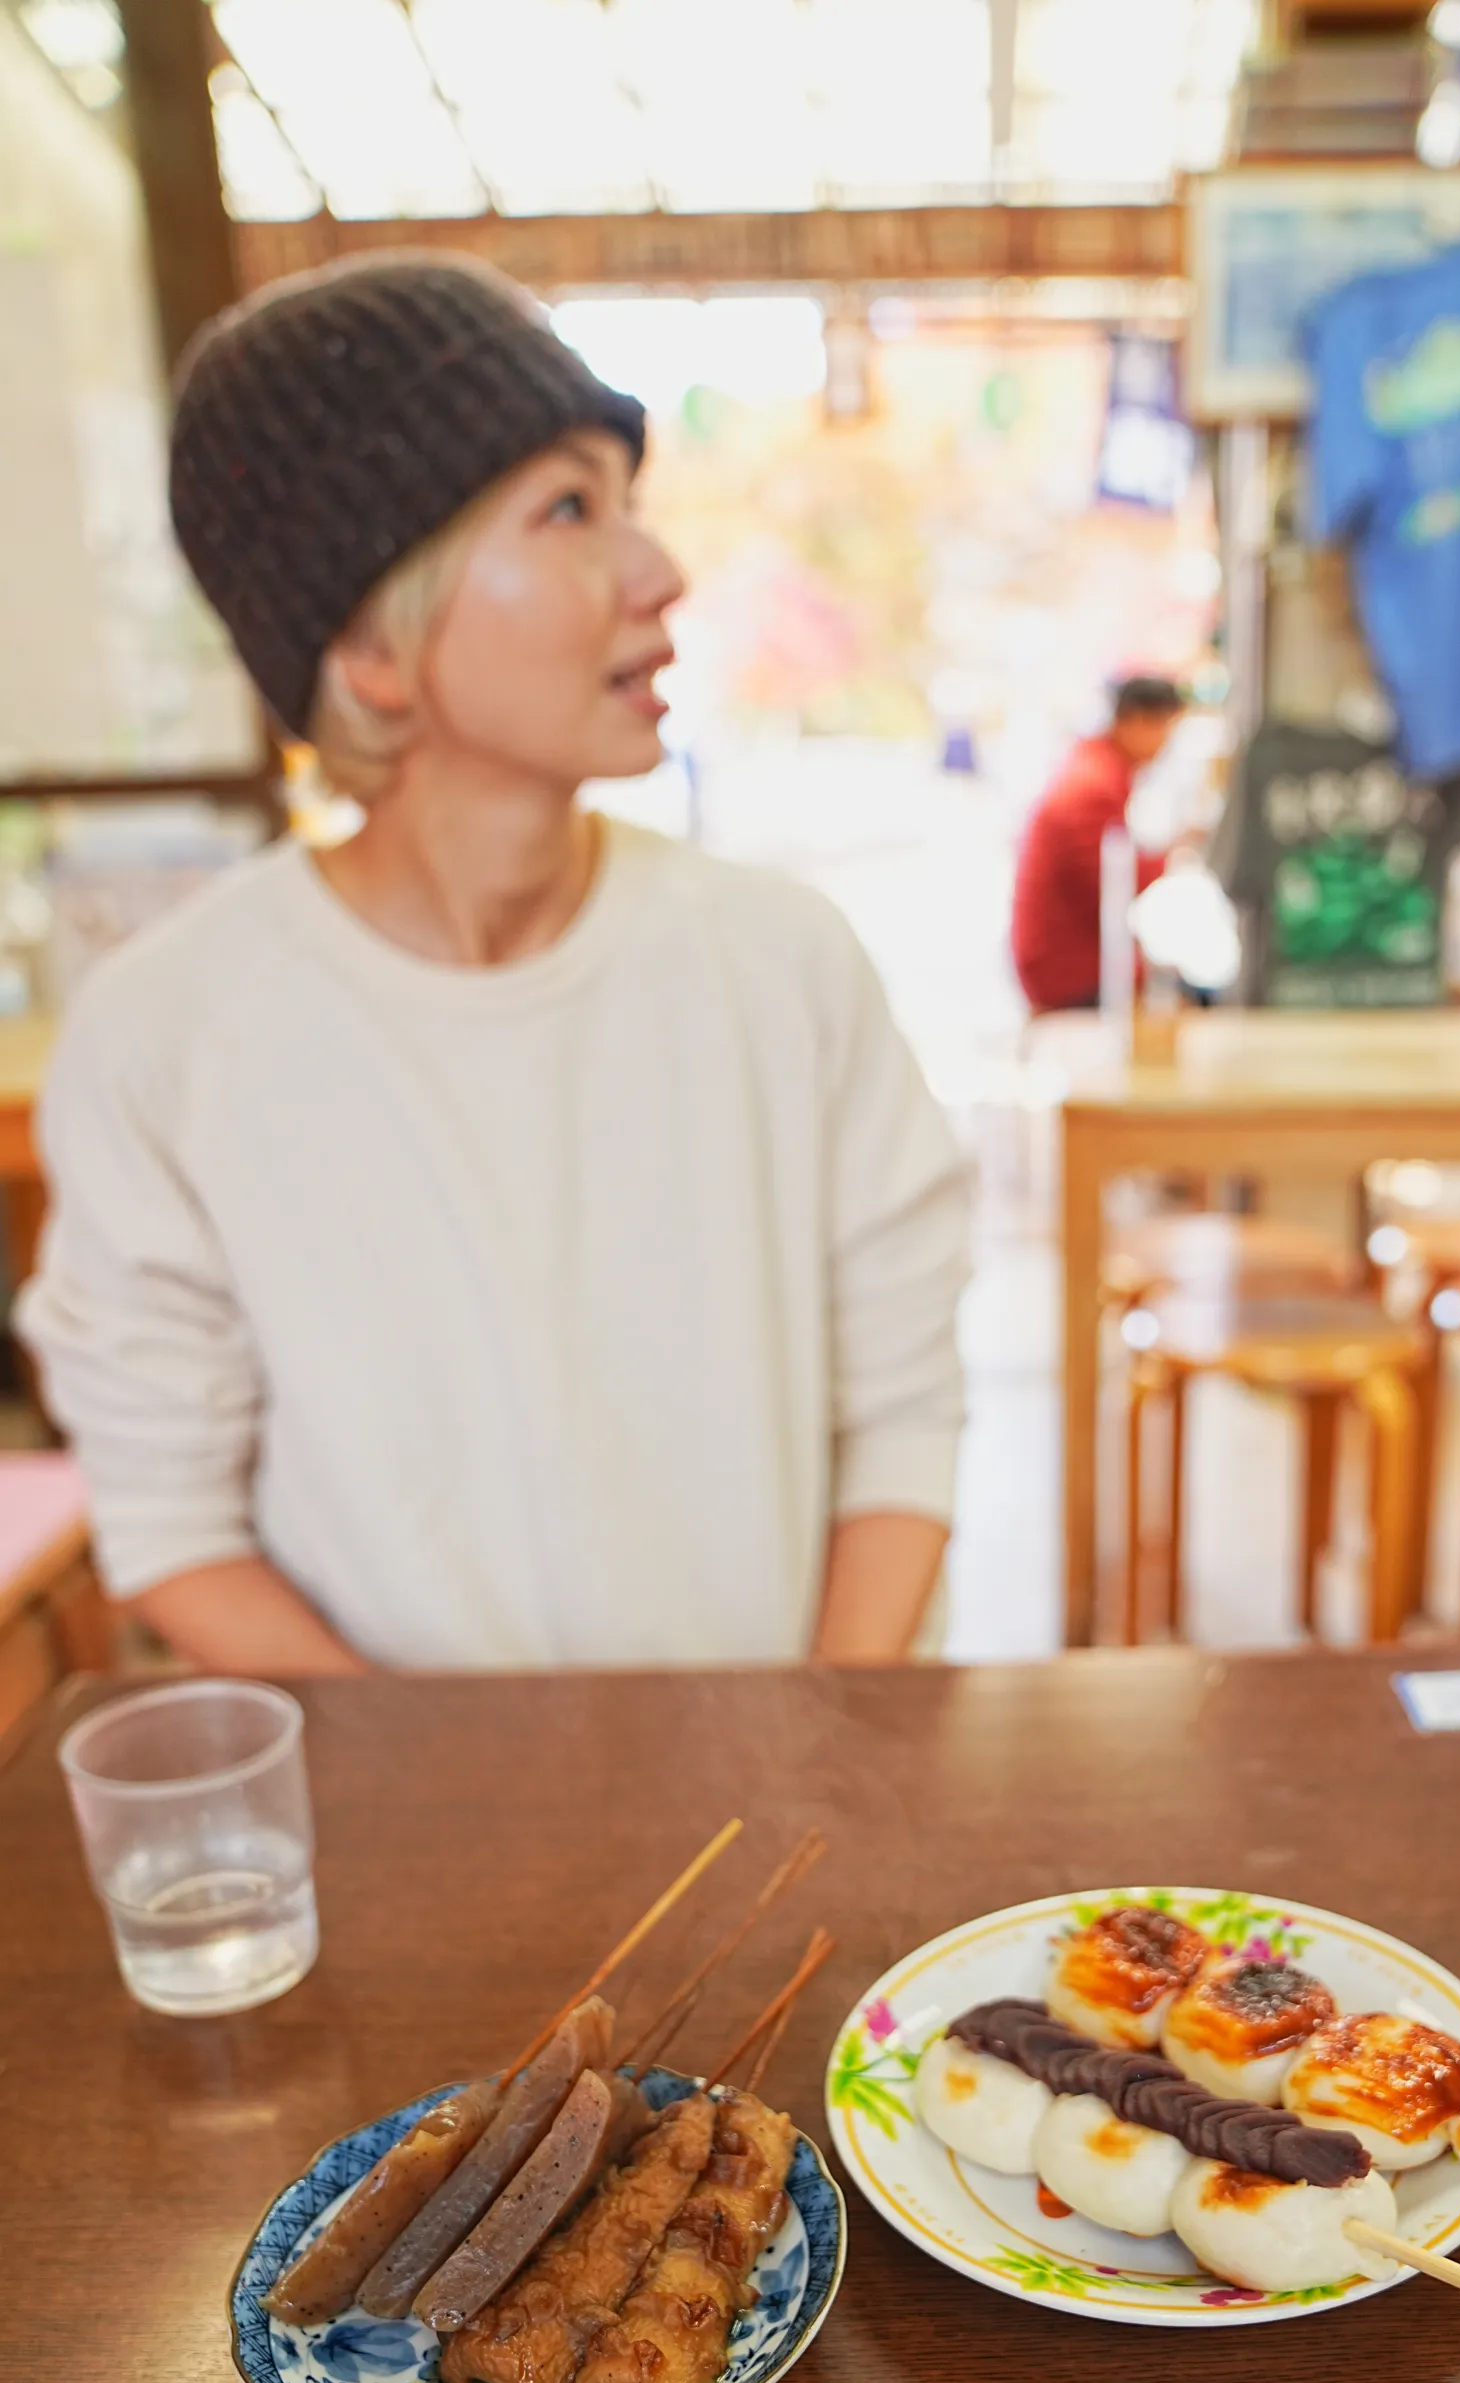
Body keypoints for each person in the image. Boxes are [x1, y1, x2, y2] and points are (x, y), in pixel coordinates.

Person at [17, 254, 970, 1673]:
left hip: (789, 1814)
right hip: (408, 1842)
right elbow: (172, 1520)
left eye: (627, 503)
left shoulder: (782, 967)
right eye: (571, 509)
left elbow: (901, 1414)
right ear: (369, 651)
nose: (660, 572)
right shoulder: (167, 1035)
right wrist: (458, 1803)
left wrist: (815, 1746)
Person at [1009, 675, 1184, 1014]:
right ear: (1135, 721)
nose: (1166, 744)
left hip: (1068, 956)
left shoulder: (1096, 769)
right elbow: (1108, 885)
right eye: (1164, 729)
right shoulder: (1093, 785)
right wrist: (1172, 857)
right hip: (1064, 969)